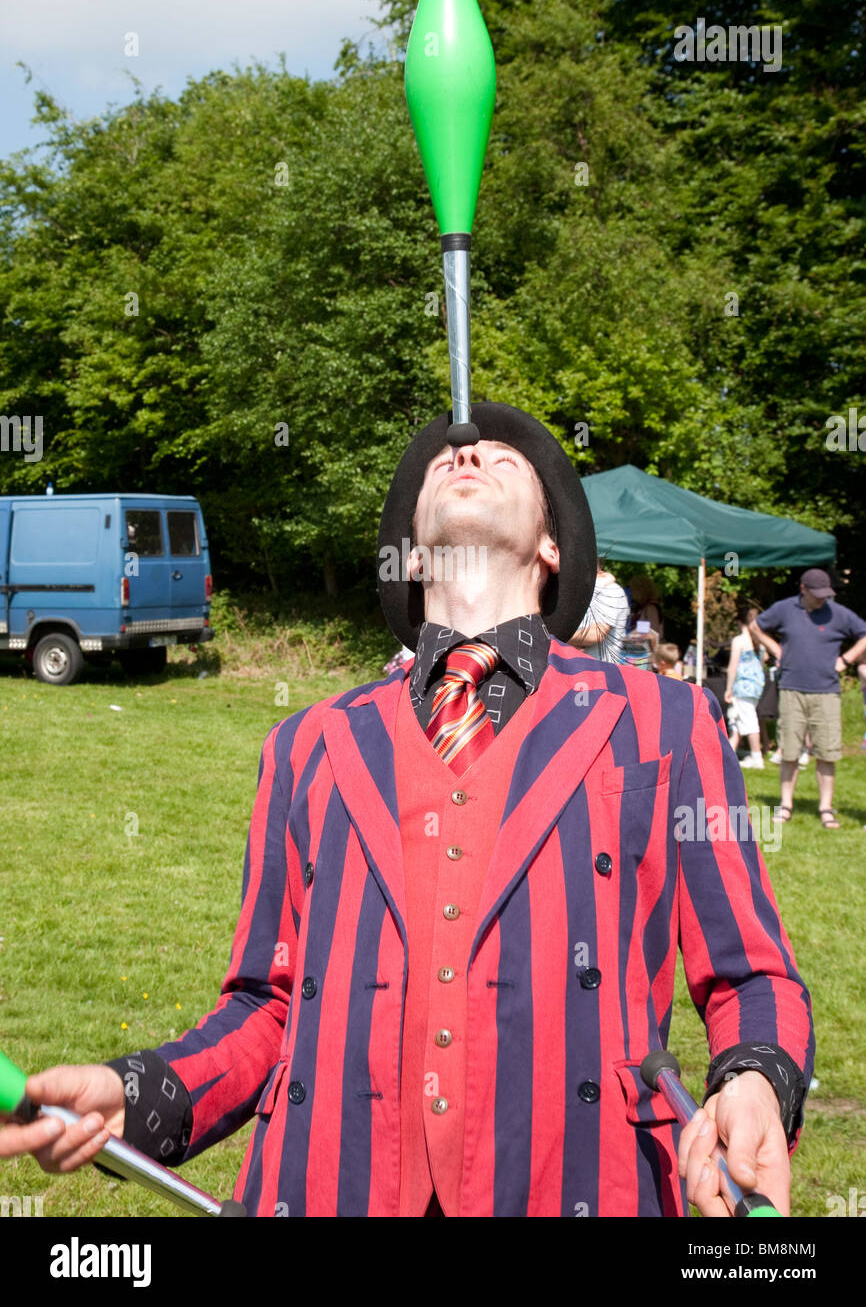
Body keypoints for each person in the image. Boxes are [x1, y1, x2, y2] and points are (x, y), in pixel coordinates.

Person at [0, 403, 814, 1218]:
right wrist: (136, 1093)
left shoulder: (668, 721)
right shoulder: (305, 744)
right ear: (414, 550)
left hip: (584, 1188)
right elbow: (265, 1006)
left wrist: (756, 1081)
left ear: (552, 545)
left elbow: (751, 971)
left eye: (505, 459)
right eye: (442, 463)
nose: (466, 456)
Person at [752, 569, 866, 828]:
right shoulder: (784, 609)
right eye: (817, 595)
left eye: (826, 594)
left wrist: (845, 660)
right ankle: (785, 806)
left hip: (827, 692)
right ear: (803, 589)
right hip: (792, 689)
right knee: (789, 751)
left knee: (827, 752)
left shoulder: (839, 614)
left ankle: (826, 808)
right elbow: (756, 626)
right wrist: (776, 649)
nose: (821, 600)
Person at [725, 607, 768, 769]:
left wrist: (728, 688)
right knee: (738, 719)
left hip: (742, 686)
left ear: (740, 622)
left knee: (748, 720)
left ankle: (756, 757)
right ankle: (729, 753)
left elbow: (733, 666)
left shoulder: (739, 640)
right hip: (756, 686)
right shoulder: (760, 641)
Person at [569, 560, 629, 662]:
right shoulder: (583, 591)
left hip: (598, 670)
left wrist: (558, 636)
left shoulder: (609, 589)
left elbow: (596, 633)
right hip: (581, 667)